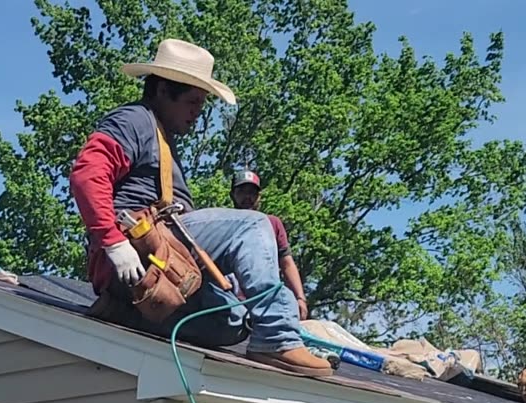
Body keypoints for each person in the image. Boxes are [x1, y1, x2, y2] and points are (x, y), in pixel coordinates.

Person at [68, 38, 331, 377]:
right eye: (192, 101)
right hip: (136, 254)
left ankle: (129, 312)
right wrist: (114, 242)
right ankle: (278, 338)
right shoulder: (133, 120)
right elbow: (87, 175)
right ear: (163, 90)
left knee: (234, 320)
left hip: (153, 275)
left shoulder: (162, 137)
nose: (197, 112)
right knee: (254, 224)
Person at [230, 169, 308, 320]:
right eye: (242, 192)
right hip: (230, 300)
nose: (248, 197)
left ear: (259, 197)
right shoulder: (223, 221)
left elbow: (286, 262)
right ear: (232, 195)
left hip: (266, 301)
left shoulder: (272, 223)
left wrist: (300, 298)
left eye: (252, 193)